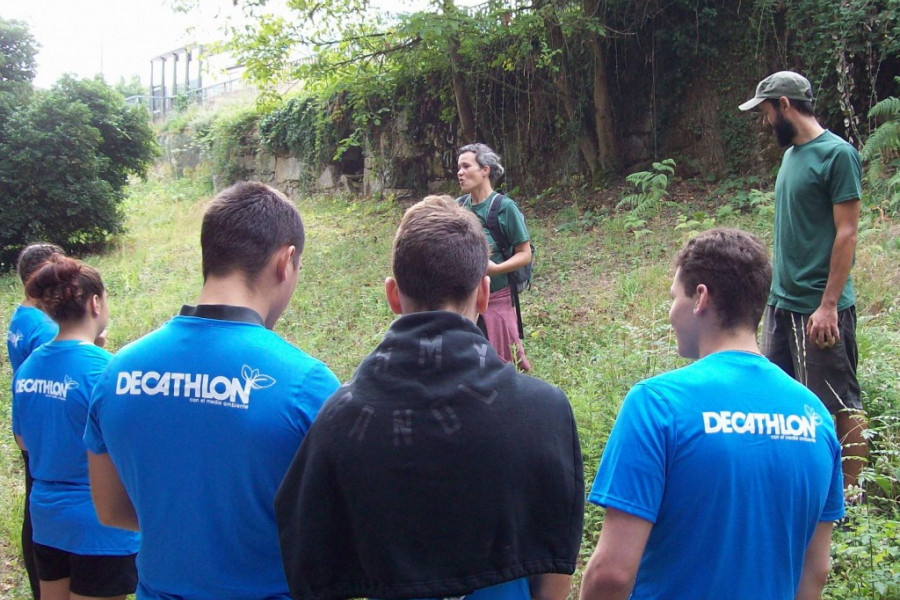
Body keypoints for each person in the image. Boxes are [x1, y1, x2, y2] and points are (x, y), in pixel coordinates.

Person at [274, 195, 584, 600]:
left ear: (393, 296)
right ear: (485, 293)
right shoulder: (546, 411)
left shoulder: (338, 421)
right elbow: (555, 564)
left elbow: (309, 565)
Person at [83, 181, 340, 600]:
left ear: (210, 254)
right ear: (286, 260)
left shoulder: (117, 373)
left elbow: (111, 510)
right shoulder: (305, 384)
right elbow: (338, 531)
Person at [579, 229, 844, 600]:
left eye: (674, 298)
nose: (671, 312)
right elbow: (815, 571)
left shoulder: (656, 404)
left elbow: (611, 575)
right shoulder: (816, 416)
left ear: (700, 297)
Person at [739, 70, 868, 495]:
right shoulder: (792, 155)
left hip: (821, 307)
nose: (764, 122)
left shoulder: (837, 155)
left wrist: (829, 304)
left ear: (785, 105)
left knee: (840, 401)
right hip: (782, 304)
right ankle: (795, 486)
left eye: (766, 112)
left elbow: (847, 232)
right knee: (780, 399)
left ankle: (851, 496)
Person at [12, 254, 139, 600]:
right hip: (100, 525)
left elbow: (23, 440)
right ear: (96, 303)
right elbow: (130, 445)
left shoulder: (27, 368)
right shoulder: (109, 370)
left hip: (47, 519)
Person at [6, 242, 64, 600]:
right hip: (48, 432)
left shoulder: (20, 317)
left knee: (34, 503)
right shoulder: (44, 328)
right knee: (41, 509)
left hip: (28, 427)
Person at [457, 143, 532, 371]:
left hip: (498, 299)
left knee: (503, 364)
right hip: (465, 300)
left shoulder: (505, 208)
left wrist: (495, 269)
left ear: (485, 170)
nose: (459, 172)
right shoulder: (458, 208)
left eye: (466, 166)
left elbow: (524, 254)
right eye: (458, 167)